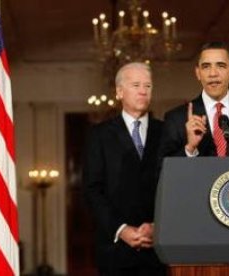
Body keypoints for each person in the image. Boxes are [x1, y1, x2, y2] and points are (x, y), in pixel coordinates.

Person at [83, 62, 166, 276]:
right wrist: (122, 230)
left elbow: (177, 188)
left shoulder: (167, 132)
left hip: (160, 250)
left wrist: (158, 225)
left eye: (148, 86)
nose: (143, 91)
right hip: (115, 252)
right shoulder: (99, 135)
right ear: (119, 92)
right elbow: (92, 191)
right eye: (136, 85)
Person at [160, 41, 229, 158]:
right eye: (206, 66)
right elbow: (163, 171)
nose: (213, 73)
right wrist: (190, 148)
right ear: (198, 73)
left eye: (221, 66)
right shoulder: (176, 118)